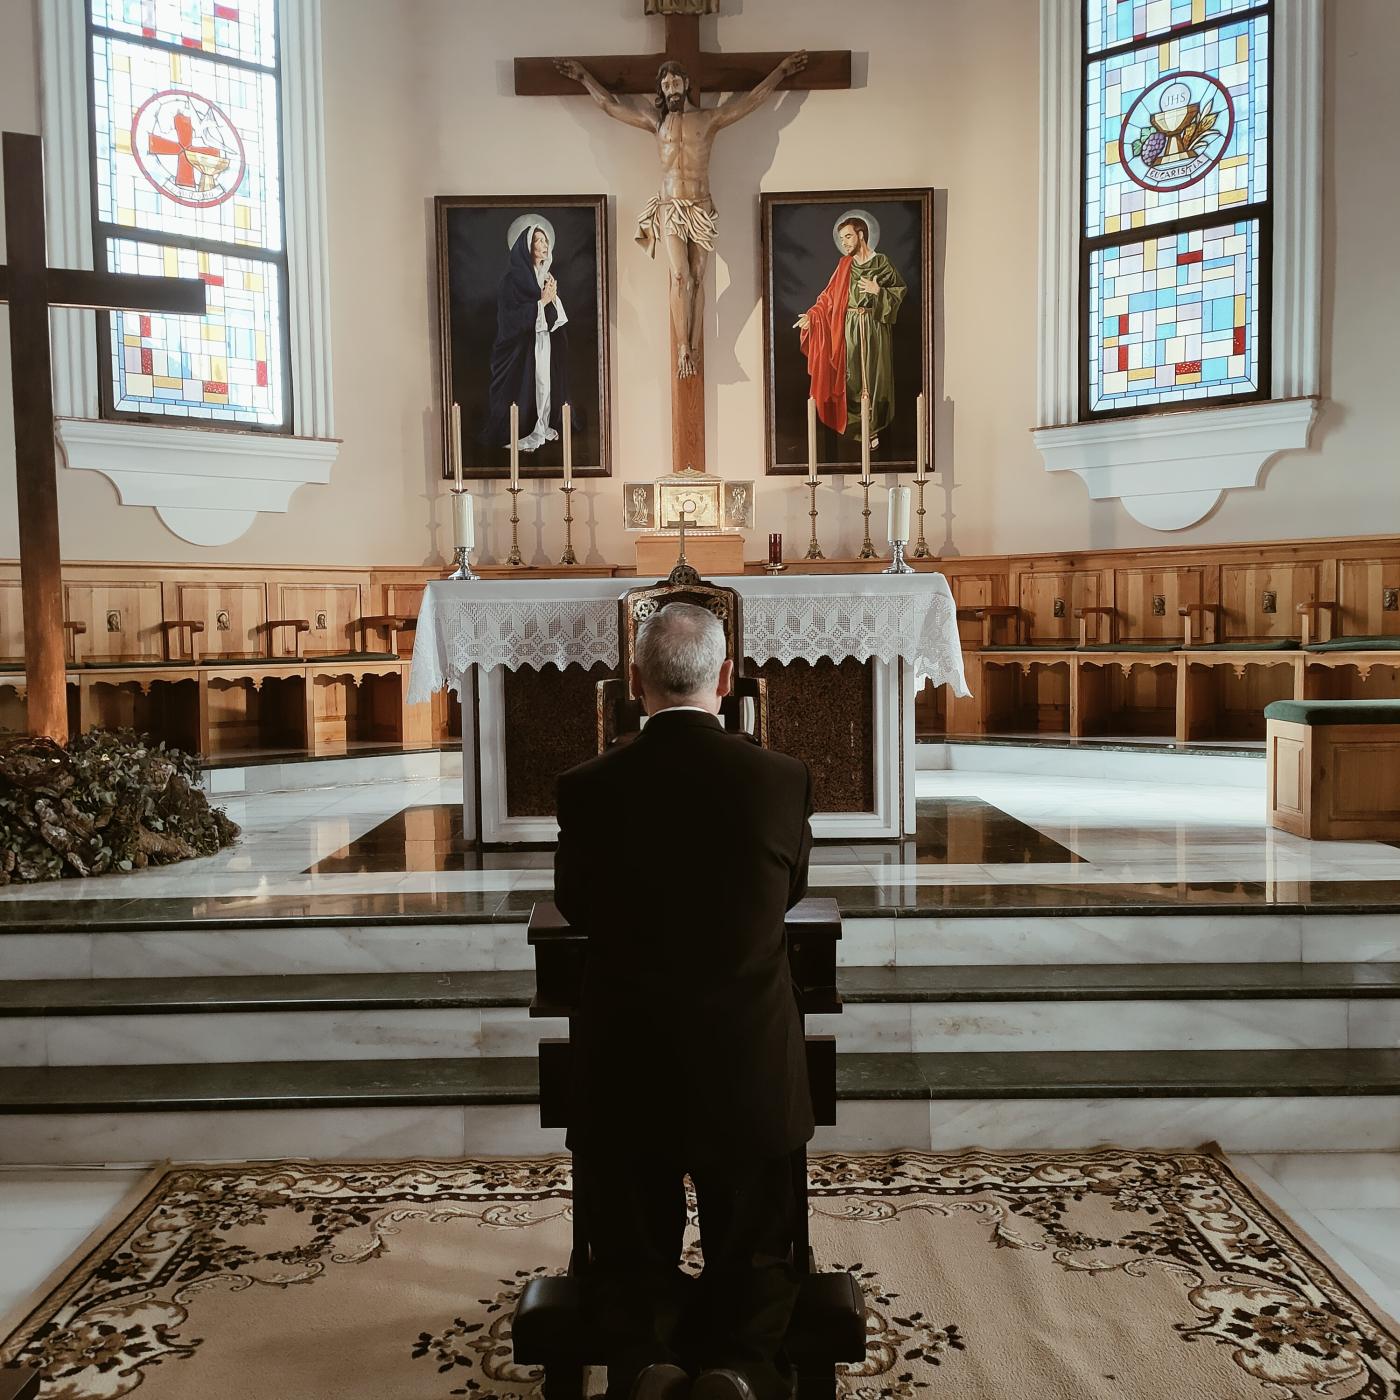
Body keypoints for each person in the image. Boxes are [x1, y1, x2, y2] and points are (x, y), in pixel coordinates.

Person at [554, 602, 815, 1400]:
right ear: (727, 678)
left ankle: (646, 1361)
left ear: (634, 681)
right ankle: (741, 1366)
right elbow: (787, 893)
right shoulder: (781, 779)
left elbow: (576, 906)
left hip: (627, 1063)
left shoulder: (586, 788)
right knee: (758, 1245)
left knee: (630, 1246)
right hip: (748, 1064)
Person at [554, 51, 808, 379]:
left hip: (701, 206)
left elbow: (752, 101)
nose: (672, 88)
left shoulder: (708, 119)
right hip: (671, 207)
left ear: (687, 84)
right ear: (661, 89)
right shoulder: (657, 123)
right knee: (679, 276)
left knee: (699, 278)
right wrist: (583, 77)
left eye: (676, 82)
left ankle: (695, 345)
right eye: (666, 84)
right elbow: (610, 105)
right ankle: (682, 347)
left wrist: (782, 72)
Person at [795, 216, 907, 444]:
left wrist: (878, 292)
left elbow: (898, 291)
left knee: (876, 376)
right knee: (851, 377)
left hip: (875, 327)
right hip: (849, 329)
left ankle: (873, 427)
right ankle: (856, 426)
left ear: (861, 235)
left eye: (848, 236)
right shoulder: (845, 265)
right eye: (841, 238)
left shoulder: (882, 262)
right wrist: (812, 316)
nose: (844, 242)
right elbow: (828, 297)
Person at [480, 223, 574, 453]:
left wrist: (552, 301)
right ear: (526, 247)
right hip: (519, 351)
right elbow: (509, 320)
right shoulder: (510, 281)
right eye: (538, 240)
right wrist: (542, 303)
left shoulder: (546, 276)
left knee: (545, 385)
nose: (544, 244)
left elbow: (554, 318)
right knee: (528, 388)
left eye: (545, 240)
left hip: (542, 344)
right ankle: (522, 429)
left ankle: (541, 424)